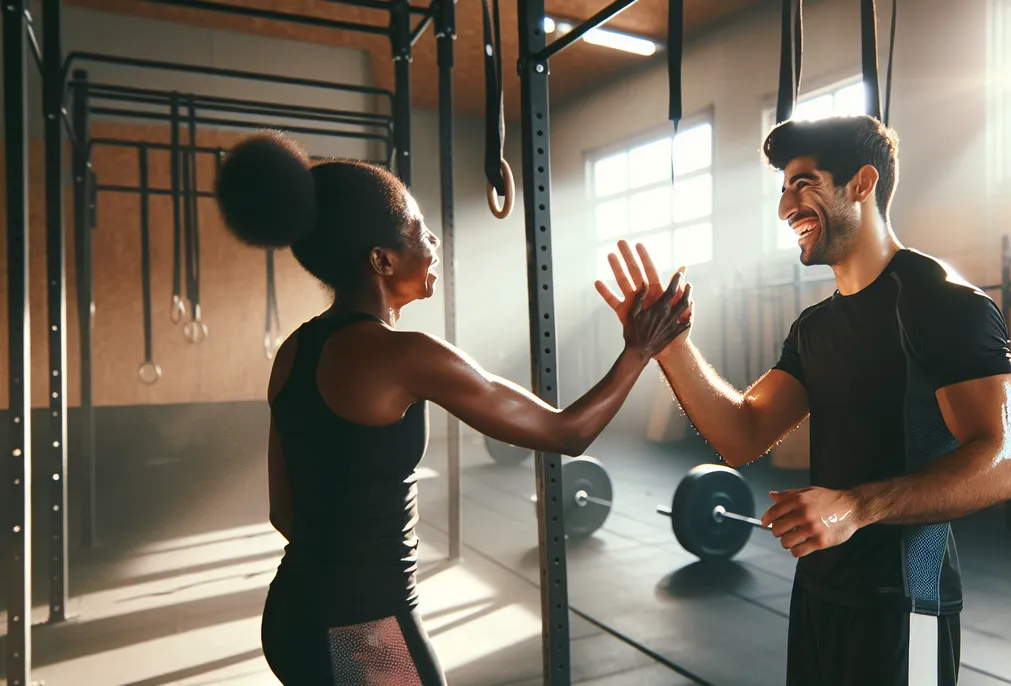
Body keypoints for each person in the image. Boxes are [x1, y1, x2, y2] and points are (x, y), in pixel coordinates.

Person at [213, 131, 692, 686]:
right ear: (381, 260)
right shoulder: (406, 355)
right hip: (362, 634)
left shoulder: (293, 351)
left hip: (288, 618)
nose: (434, 240)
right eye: (420, 229)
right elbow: (567, 432)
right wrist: (639, 350)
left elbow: (284, 514)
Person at [596, 115, 1011, 685]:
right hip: (821, 591)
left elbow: (1007, 463)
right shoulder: (816, 328)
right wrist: (671, 346)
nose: (785, 208)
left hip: (905, 600)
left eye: (804, 184)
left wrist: (856, 506)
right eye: (782, 191)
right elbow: (742, 433)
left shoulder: (944, 304)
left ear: (863, 183)